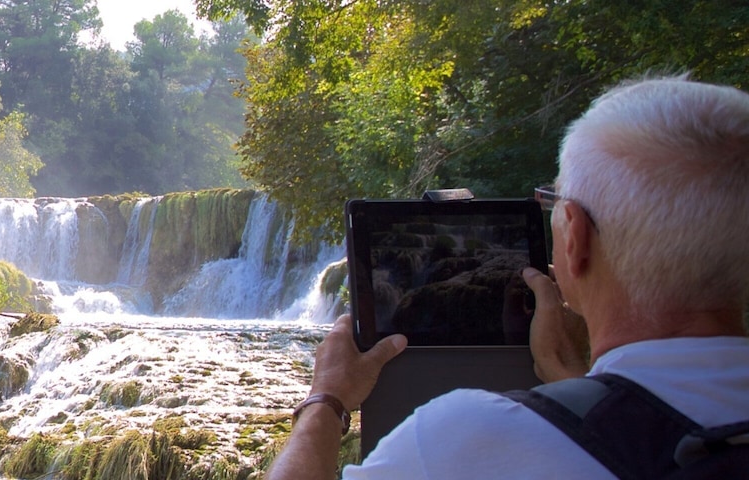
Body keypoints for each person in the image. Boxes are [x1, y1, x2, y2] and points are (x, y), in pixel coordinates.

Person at [270, 75, 749, 479]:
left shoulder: (466, 444)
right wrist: (573, 378)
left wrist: (327, 398)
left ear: (575, 239)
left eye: (554, 203)